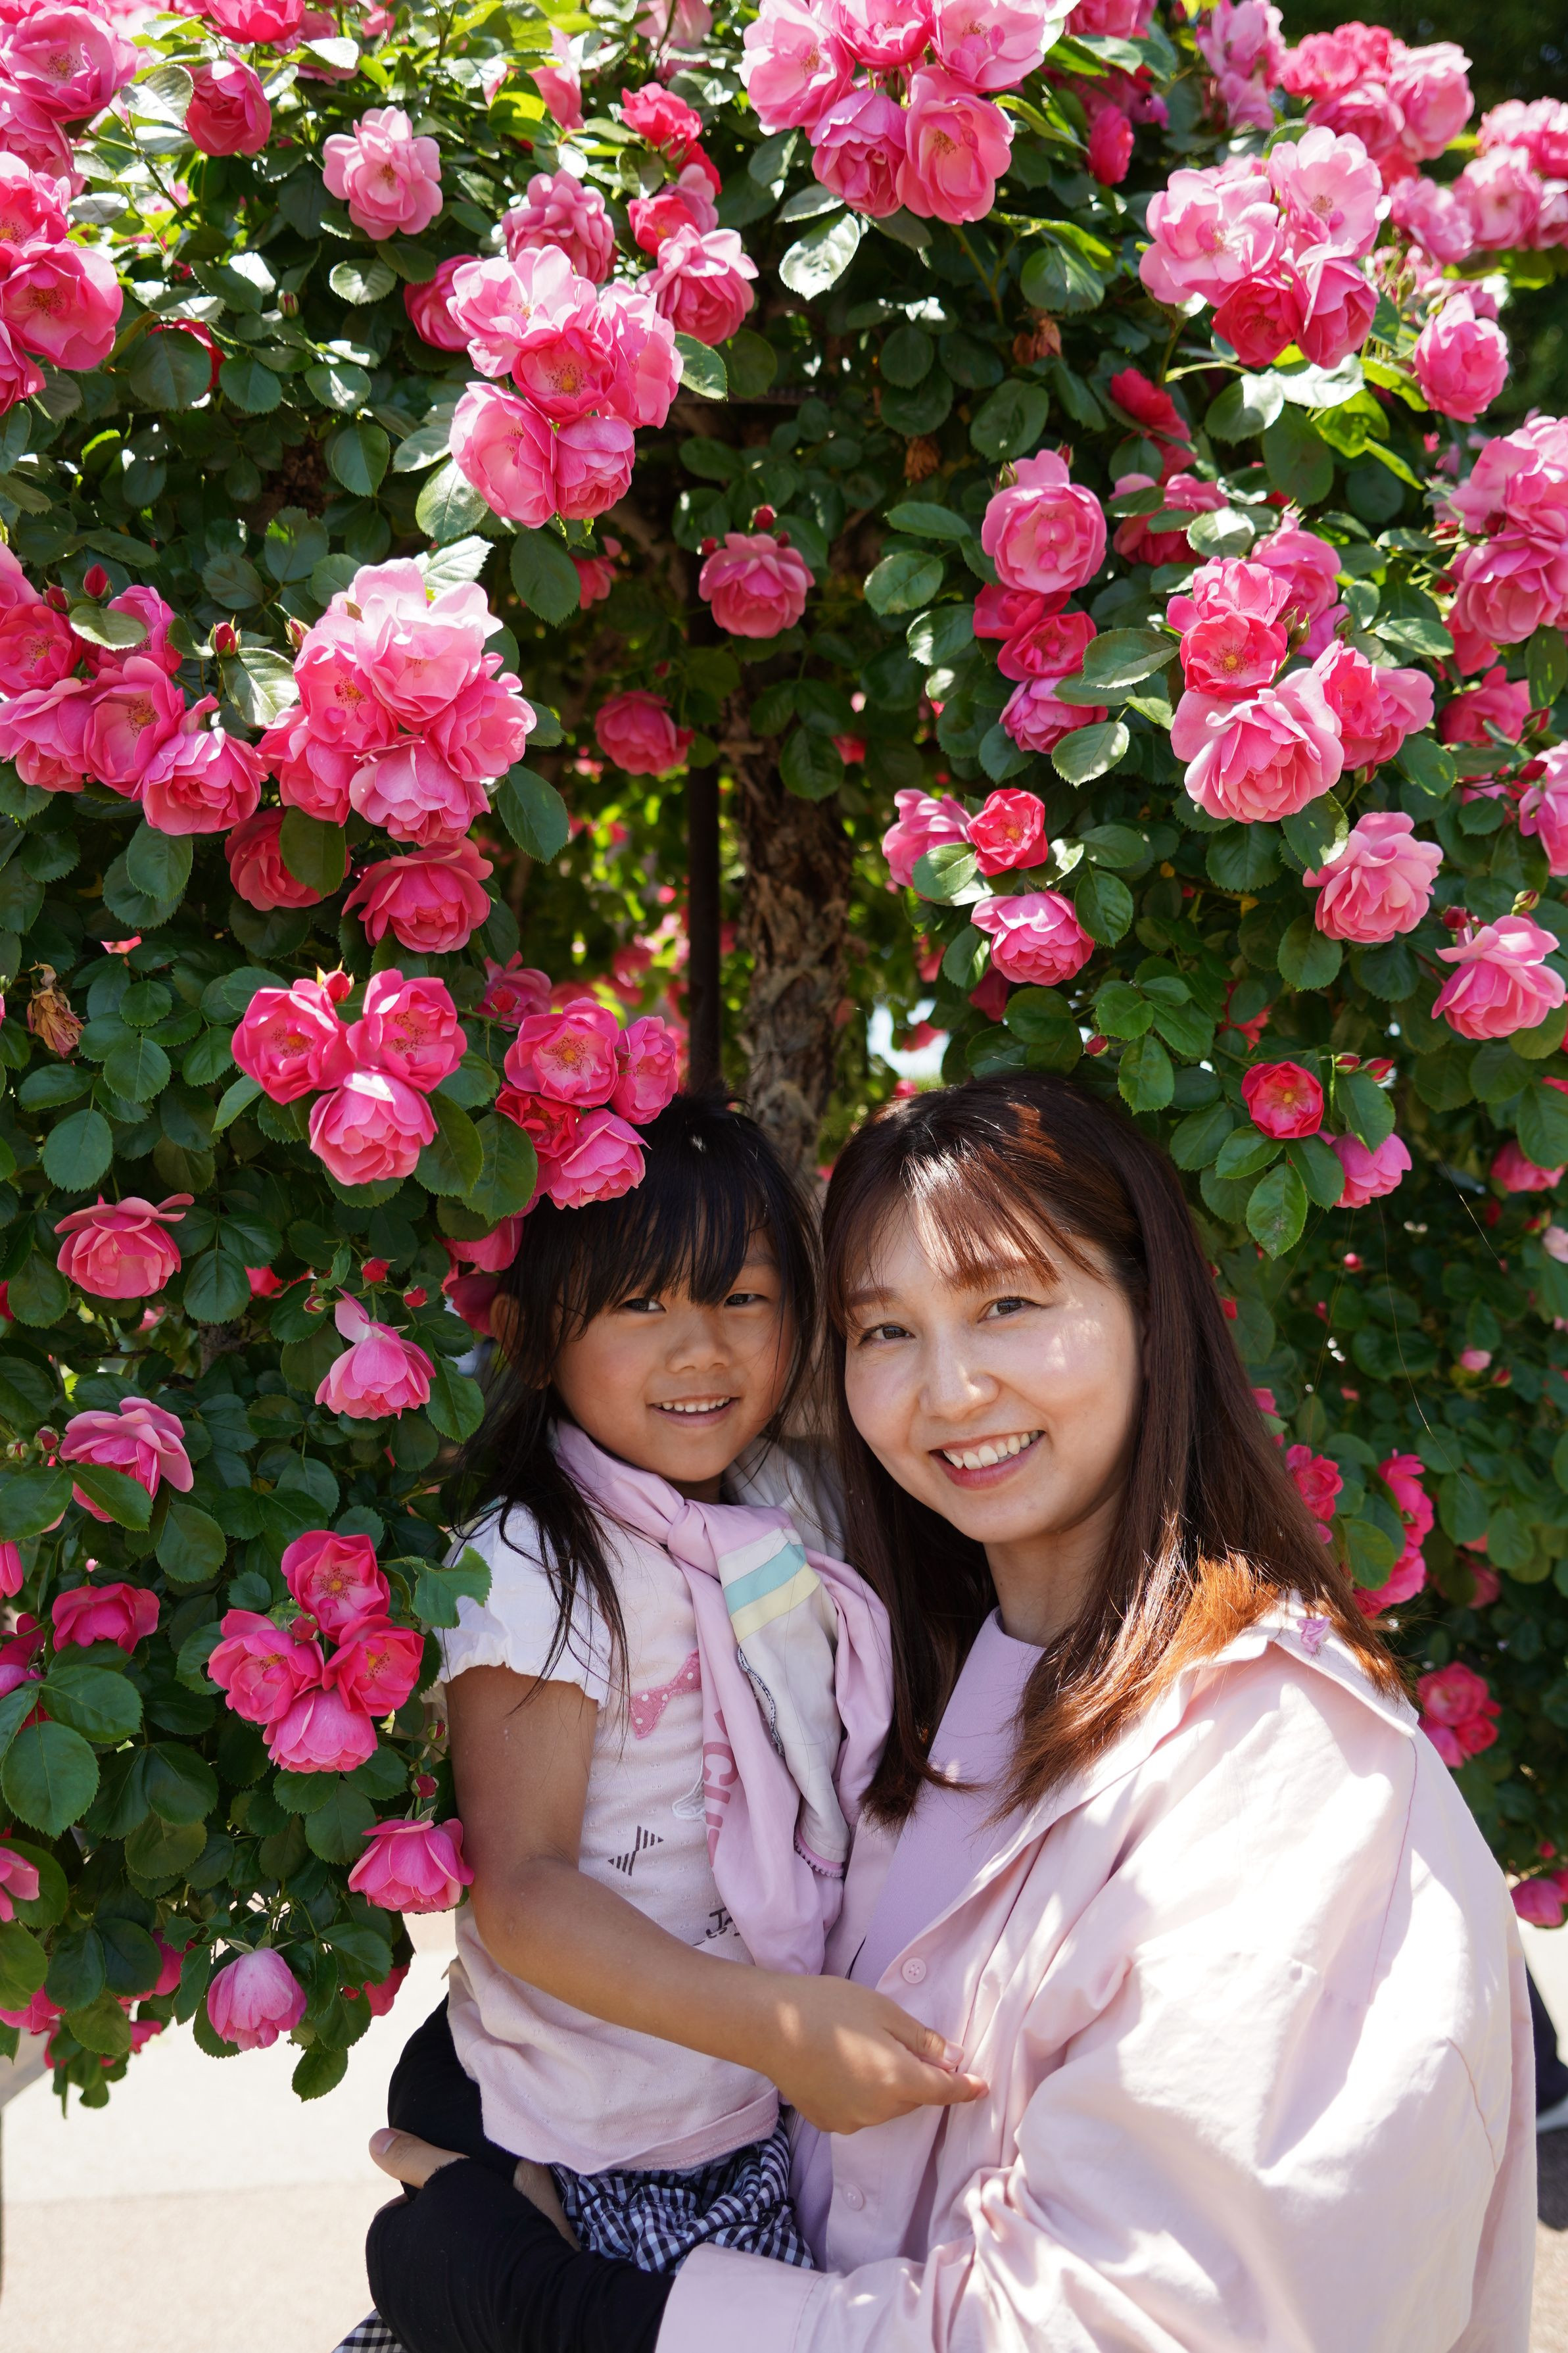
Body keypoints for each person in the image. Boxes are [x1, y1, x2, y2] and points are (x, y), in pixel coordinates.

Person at [363, 1073, 1536, 2353]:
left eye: (1007, 1305)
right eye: (885, 1328)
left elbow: (1129, 2324)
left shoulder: (1286, 1768)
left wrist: (572, 2318)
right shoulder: (915, 1675)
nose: (951, 1387)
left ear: (1152, 1311)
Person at [337, 1094, 981, 2351]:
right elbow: (524, 1891)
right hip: (599, 2130)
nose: (703, 1350)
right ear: (534, 1335)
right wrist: (781, 2028)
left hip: (750, 2104)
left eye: (743, 1296)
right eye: (640, 1302)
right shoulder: (534, 1562)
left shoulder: (788, 1507)